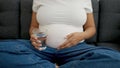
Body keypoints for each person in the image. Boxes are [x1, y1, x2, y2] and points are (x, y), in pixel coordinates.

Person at [0, 0, 120, 68]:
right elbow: (34, 27)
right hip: (41, 49)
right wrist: (34, 35)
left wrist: (81, 35)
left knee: (116, 59)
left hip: (76, 49)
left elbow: (91, 28)